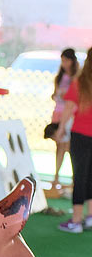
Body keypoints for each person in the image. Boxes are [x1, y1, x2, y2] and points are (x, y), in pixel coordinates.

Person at [57, 49, 92, 233]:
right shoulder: (80, 82)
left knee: (79, 176)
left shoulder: (80, 83)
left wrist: (61, 129)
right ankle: (90, 217)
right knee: (91, 175)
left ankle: (76, 221)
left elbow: (68, 109)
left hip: (81, 134)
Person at [48, 48, 79, 193]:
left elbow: (74, 99)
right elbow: (55, 94)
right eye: (62, 61)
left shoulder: (77, 77)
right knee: (59, 146)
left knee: (70, 148)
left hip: (70, 116)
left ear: (72, 61)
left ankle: (75, 180)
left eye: (66, 60)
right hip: (58, 113)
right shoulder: (59, 77)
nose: (64, 63)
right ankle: (56, 177)